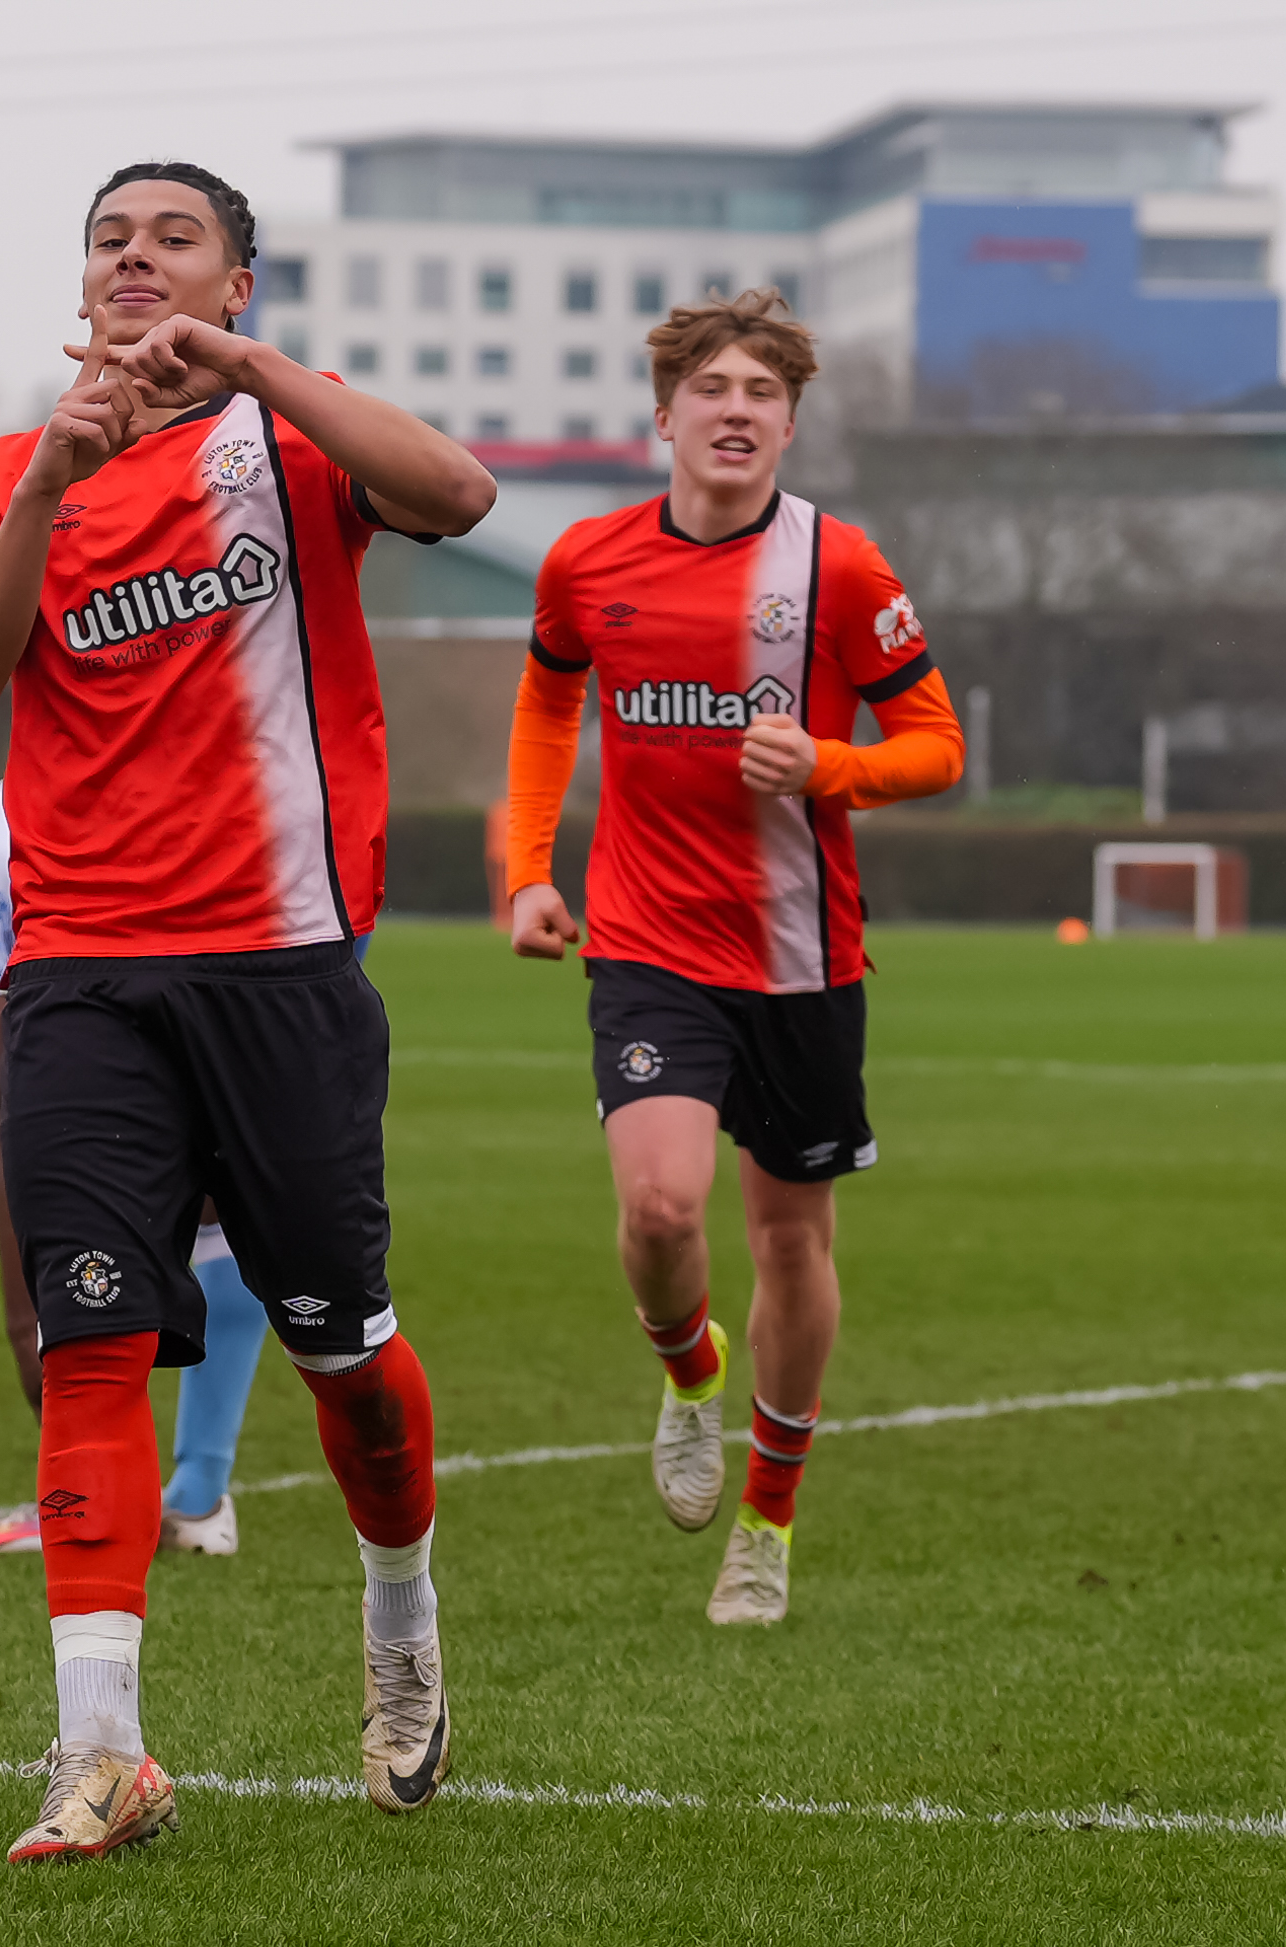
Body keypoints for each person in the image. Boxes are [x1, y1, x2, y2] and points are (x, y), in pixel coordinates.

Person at [0, 160, 496, 1860]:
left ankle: (402, 1629)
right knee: (92, 1331)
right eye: (110, 240)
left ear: (236, 282)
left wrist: (252, 377)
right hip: (84, 969)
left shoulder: (288, 436)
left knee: (343, 1347)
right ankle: (99, 1747)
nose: (135, 260)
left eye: (175, 239)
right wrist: (52, 478)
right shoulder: (8, 468)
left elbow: (459, 492)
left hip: (279, 965)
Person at [501, 290, 963, 1627]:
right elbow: (546, 698)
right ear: (666, 415)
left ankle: (768, 1516)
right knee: (659, 1209)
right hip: (648, 941)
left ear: (790, 424)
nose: (738, 411)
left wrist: (834, 764)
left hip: (806, 958)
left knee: (791, 1237)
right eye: (714, 389)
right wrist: (529, 871)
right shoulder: (587, 560)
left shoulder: (845, 569)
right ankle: (687, 1371)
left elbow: (937, 743)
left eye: (765, 393)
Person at [0, 790, 275, 1563]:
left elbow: (19, 1099)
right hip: (284, 848)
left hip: (215, 861)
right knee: (230, 1188)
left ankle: (100, 1489)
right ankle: (199, 1493)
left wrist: (27, 1328)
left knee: (221, 1185)